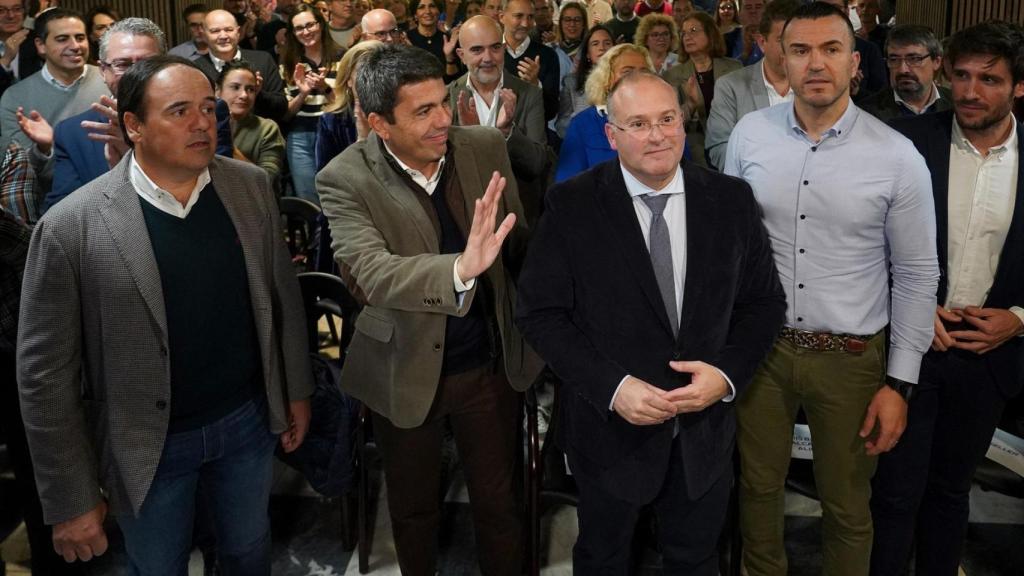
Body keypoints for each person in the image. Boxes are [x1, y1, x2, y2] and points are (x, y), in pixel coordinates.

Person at [16, 54, 312, 574]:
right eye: (179, 111)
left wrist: (296, 390)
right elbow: (45, 376)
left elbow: (282, 298)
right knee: (159, 564)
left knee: (247, 549)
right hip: (147, 443)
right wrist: (71, 498)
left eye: (206, 107)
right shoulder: (71, 227)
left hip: (244, 422)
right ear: (134, 126)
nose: (202, 123)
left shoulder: (249, 188)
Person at [517, 69, 786, 575]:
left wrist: (725, 376)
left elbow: (764, 304)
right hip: (610, 434)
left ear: (684, 123)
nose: (658, 134)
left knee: (695, 559)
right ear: (611, 135)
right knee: (604, 558)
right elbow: (540, 314)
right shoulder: (572, 204)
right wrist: (613, 387)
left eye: (667, 119)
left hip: (702, 435)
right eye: (638, 124)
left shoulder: (731, 201)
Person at [722, 4, 939, 576]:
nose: (816, 63)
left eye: (831, 49)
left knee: (847, 505)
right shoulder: (749, 135)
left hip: (850, 359)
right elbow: (730, 243)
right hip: (761, 354)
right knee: (757, 488)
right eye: (800, 50)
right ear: (781, 58)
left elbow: (918, 274)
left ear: (856, 62)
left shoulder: (896, 156)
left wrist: (900, 382)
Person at [315, 44, 541, 576]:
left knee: (498, 503)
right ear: (379, 123)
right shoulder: (344, 178)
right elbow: (370, 273)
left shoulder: (483, 145)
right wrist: (461, 269)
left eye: (444, 101)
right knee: (414, 509)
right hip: (404, 364)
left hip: (487, 365)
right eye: (423, 111)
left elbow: (514, 243)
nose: (445, 120)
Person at [870, 20, 1024, 576]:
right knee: (892, 494)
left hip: (989, 358)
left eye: (989, 78)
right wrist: (907, 308)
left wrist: (1020, 319)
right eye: (960, 75)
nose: (969, 90)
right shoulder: (907, 143)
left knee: (950, 493)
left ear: (1018, 88)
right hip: (909, 349)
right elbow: (867, 246)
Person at [44, 17, 164, 210]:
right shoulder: (72, 133)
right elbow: (63, 216)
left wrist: (139, 151)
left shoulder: (202, 115)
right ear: (102, 70)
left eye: (148, 63)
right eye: (123, 64)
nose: (135, 73)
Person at [449, 15, 548, 225]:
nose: (488, 58)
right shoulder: (446, 97)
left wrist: (507, 133)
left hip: (518, 216)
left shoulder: (529, 94)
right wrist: (469, 138)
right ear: (461, 55)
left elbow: (537, 164)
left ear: (503, 48)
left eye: (495, 48)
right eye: (477, 50)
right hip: (466, 216)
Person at [705, 0, 799, 170]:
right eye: (782, 39)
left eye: (799, 41)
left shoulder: (816, 85)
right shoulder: (730, 87)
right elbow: (719, 149)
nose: (792, 48)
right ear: (762, 43)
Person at [555, 42, 652, 182]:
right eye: (627, 71)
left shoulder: (665, 119)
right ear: (607, 79)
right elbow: (566, 185)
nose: (637, 78)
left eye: (644, 72)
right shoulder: (582, 124)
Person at [280, 3, 342, 203]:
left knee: (337, 197)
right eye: (299, 28)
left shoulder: (341, 56)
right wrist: (303, 93)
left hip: (334, 133)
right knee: (307, 199)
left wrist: (325, 88)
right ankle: (312, 235)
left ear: (321, 25)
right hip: (300, 137)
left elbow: (345, 106)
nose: (306, 32)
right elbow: (287, 114)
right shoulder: (288, 62)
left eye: (310, 25)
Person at [663, 10, 740, 167]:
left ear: (710, 34)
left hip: (732, 141)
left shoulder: (734, 68)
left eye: (693, 31)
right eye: (683, 33)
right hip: (694, 149)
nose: (687, 37)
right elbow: (669, 124)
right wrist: (690, 105)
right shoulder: (672, 75)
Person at [195, 9, 288, 123]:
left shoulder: (262, 60)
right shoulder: (196, 69)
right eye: (215, 31)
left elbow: (282, 108)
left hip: (258, 135)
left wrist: (258, 93)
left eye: (229, 30)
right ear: (204, 35)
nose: (223, 36)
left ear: (238, 32)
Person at [859, 24, 952, 122]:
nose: (903, 69)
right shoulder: (865, 113)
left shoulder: (957, 106)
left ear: (936, 62)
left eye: (914, 59)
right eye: (894, 59)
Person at [217, 61, 285, 188]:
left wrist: (227, 146)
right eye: (235, 87)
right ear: (218, 91)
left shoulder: (267, 129)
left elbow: (267, 180)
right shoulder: (204, 126)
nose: (244, 95)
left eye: (250, 89)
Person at [316, 39, 381, 171]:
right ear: (348, 80)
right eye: (362, 72)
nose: (370, 79)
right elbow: (326, 176)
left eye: (377, 71)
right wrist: (362, 140)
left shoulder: (403, 113)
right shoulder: (332, 121)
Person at [501, 0, 560, 121]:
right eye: (518, 16)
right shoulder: (490, 53)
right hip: (495, 136)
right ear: (502, 17)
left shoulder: (548, 55)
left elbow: (550, 112)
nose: (525, 23)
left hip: (533, 137)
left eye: (530, 17)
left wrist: (535, 85)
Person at [556, 23, 612, 138]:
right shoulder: (571, 82)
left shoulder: (625, 82)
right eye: (595, 44)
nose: (602, 48)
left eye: (607, 43)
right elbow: (561, 125)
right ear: (587, 53)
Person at [0, 0, 42, 97]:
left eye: (17, 9)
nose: (11, 16)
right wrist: (5, 60)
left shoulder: (39, 40)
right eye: (1, 10)